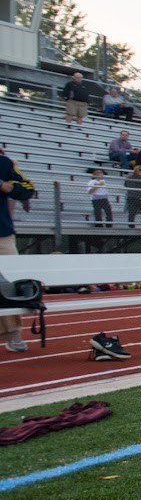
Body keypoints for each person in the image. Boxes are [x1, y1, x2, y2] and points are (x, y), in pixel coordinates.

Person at [0, 147, 30, 351]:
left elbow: (27, 187)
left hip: (1, 233)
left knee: (9, 284)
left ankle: (13, 334)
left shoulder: (4, 163)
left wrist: (8, 186)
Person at [124, 163, 141, 228]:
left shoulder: (128, 177)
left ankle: (131, 225)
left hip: (131, 196)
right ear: (140, 171)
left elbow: (125, 185)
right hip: (139, 197)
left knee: (132, 213)